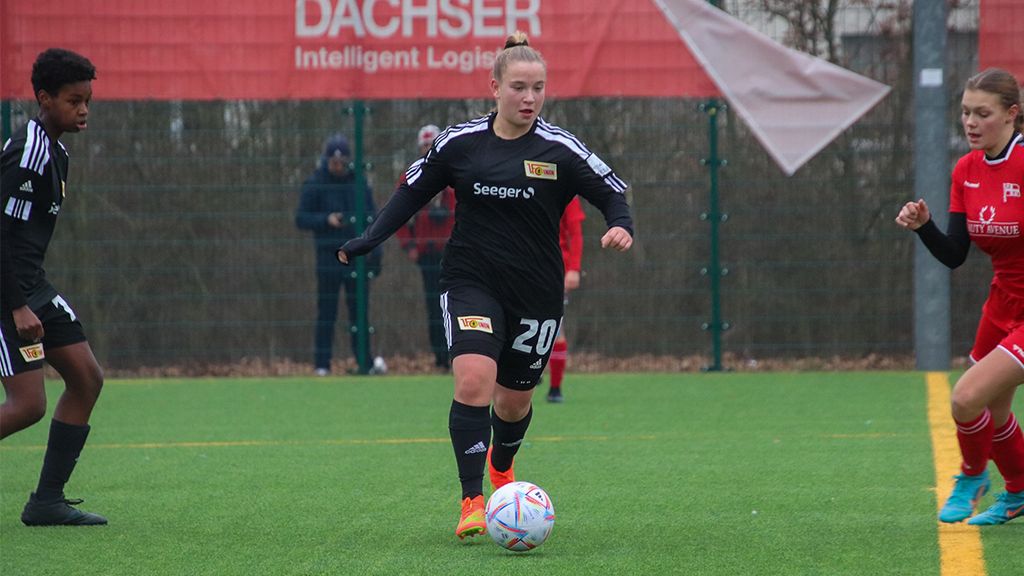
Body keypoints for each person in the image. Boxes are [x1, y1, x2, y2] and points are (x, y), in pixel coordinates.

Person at [338, 31, 634, 540]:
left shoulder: (559, 150)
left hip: (537, 292)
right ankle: (473, 499)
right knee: (473, 381)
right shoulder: (460, 144)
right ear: (493, 88)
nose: (529, 98)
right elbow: (411, 190)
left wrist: (620, 223)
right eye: (519, 87)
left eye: (538, 88)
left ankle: (502, 465)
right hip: (471, 280)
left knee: (514, 402)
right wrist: (370, 237)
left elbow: (612, 190)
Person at [896, 67, 1024, 526]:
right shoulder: (966, 170)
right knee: (992, 407)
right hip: (1003, 302)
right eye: (965, 112)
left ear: (1012, 115)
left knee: (965, 398)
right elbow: (954, 255)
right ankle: (1017, 492)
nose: (970, 122)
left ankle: (972, 476)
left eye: (982, 113)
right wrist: (922, 226)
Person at [0, 48, 106, 526]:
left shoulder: (57, 151)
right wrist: (18, 305)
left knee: (86, 378)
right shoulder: (29, 151)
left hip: (31, 284)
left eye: (87, 100)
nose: (83, 109)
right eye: (73, 100)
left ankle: (46, 502)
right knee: (28, 406)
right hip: (7, 291)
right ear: (44, 99)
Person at [296, 134, 386, 376]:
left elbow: (374, 219)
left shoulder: (358, 183)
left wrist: (375, 254)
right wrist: (325, 220)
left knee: (359, 312)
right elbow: (301, 218)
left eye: (341, 162)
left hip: (356, 258)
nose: (337, 166)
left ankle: (363, 362)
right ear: (326, 160)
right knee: (327, 312)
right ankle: (322, 364)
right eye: (333, 162)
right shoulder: (315, 183)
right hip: (328, 258)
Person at [396, 124, 457, 371]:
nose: (429, 150)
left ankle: (459, 355)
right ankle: (440, 357)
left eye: (433, 145)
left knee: (457, 304)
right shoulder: (412, 175)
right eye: (425, 146)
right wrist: (409, 244)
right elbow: (398, 213)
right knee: (434, 306)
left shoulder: (455, 172)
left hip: (454, 249)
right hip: (428, 252)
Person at [546, 196, 585, 403]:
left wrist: (574, 269)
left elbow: (575, 232)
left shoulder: (565, 186)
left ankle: (555, 387)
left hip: (554, 269)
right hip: (518, 267)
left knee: (555, 327)